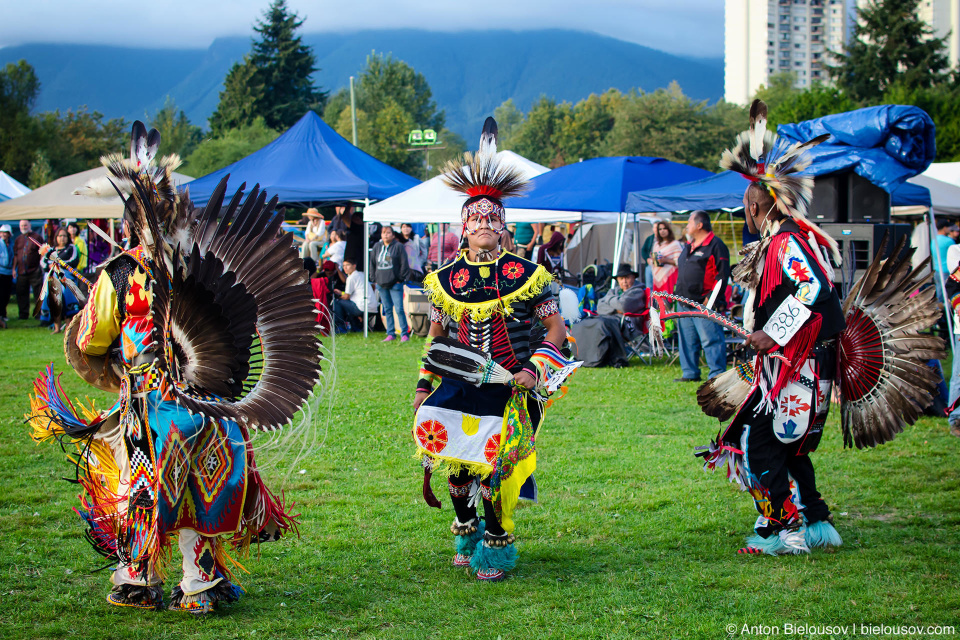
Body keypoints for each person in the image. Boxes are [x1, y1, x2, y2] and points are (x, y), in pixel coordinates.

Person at [27, 121, 323, 614]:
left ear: (129, 222)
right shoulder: (197, 260)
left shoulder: (121, 272)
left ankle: (139, 578)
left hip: (151, 403)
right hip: (210, 399)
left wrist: (106, 355)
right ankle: (201, 579)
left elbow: (91, 338)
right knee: (201, 483)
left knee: (146, 486)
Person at [413, 117, 568, 582]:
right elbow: (436, 338)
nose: (483, 225)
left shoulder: (529, 275)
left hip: (510, 386)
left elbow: (557, 328)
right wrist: (424, 385)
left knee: (497, 467)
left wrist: (535, 369)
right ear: (463, 226)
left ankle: (496, 545)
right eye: (475, 218)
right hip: (459, 384)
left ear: (504, 227)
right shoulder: (443, 281)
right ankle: (465, 526)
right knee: (457, 468)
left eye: (491, 219)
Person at [695, 100, 849, 556]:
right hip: (796, 364)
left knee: (757, 443)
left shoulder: (785, 241)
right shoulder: (786, 238)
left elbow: (815, 288)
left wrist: (773, 333)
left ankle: (787, 532)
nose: (745, 206)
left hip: (796, 364)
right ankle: (815, 524)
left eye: (748, 199)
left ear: (757, 202)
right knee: (789, 448)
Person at [674, 210, 729, 382]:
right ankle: (690, 373)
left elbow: (722, 275)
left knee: (711, 339)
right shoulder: (689, 246)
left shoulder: (715, 245)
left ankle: (716, 374)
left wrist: (711, 298)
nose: (686, 226)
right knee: (687, 340)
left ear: (699, 225)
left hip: (703, 302)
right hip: (683, 301)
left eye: (689, 222)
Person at [38, 227, 82, 333]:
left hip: (66, 279)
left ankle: (68, 326)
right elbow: (43, 263)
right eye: (60, 236)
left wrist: (58, 264)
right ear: (56, 237)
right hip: (52, 279)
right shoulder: (50, 250)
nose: (62, 238)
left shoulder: (72, 248)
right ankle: (57, 327)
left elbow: (73, 261)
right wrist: (50, 266)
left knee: (67, 300)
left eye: (64, 236)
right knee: (53, 301)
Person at [371, 225, 411, 342]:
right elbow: (372, 263)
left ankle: (404, 334)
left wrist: (400, 278)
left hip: (395, 283)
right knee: (387, 309)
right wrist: (374, 278)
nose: (386, 235)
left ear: (393, 235)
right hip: (381, 283)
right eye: (383, 233)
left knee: (398, 309)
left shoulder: (398, 247)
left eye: (388, 233)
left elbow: (404, 263)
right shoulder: (377, 247)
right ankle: (390, 333)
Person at [333, 258, 377, 331]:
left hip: (362, 307)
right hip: (373, 307)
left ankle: (341, 327)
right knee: (347, 305)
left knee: (337, 303)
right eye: (343, 266)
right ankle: (355, 326)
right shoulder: (361, 274)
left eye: (347, 265)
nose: (345, 268)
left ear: (354, 266)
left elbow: (347, 296)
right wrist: (341, 293)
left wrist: (340, 296)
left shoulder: (351, 277)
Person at [13, 219, 43, 320]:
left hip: (34, 270)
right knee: (21, 293)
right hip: (21, 271)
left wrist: (41, 266)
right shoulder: (18, 239)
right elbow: (16, 255)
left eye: (25, 225)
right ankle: (23, 314)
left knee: (38, 293)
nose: (23, 227)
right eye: (21, 226)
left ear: (30, 225)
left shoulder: (37, 237)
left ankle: (38, 314)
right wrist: (14, 269)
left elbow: (42, 252)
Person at [649, 220, 682, 294]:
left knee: (668, 299)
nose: (662, 231)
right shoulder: (656, 244)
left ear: (668, 230)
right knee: (658, 300)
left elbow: (680, 261)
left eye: (664, 229)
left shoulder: (675, 244)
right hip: (657, 275)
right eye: (660, 229)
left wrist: (665, 260)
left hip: (670, 276)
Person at [931, 218, 957, 301]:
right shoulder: (949, 241)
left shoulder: (933, 240)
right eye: (948, 227)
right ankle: (944, 313)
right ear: (944, 228)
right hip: (946, 271)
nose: (950, 229)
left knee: (939, 294)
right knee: (946, 296)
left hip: (936, 270)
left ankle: (938, 310)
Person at [0, 224, 13, 328]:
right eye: (2, 232)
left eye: (5, 232)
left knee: (6, 294)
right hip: (0, 271)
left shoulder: (11, 244)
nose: (4, 234)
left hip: (9, 273)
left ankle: (3, 314)